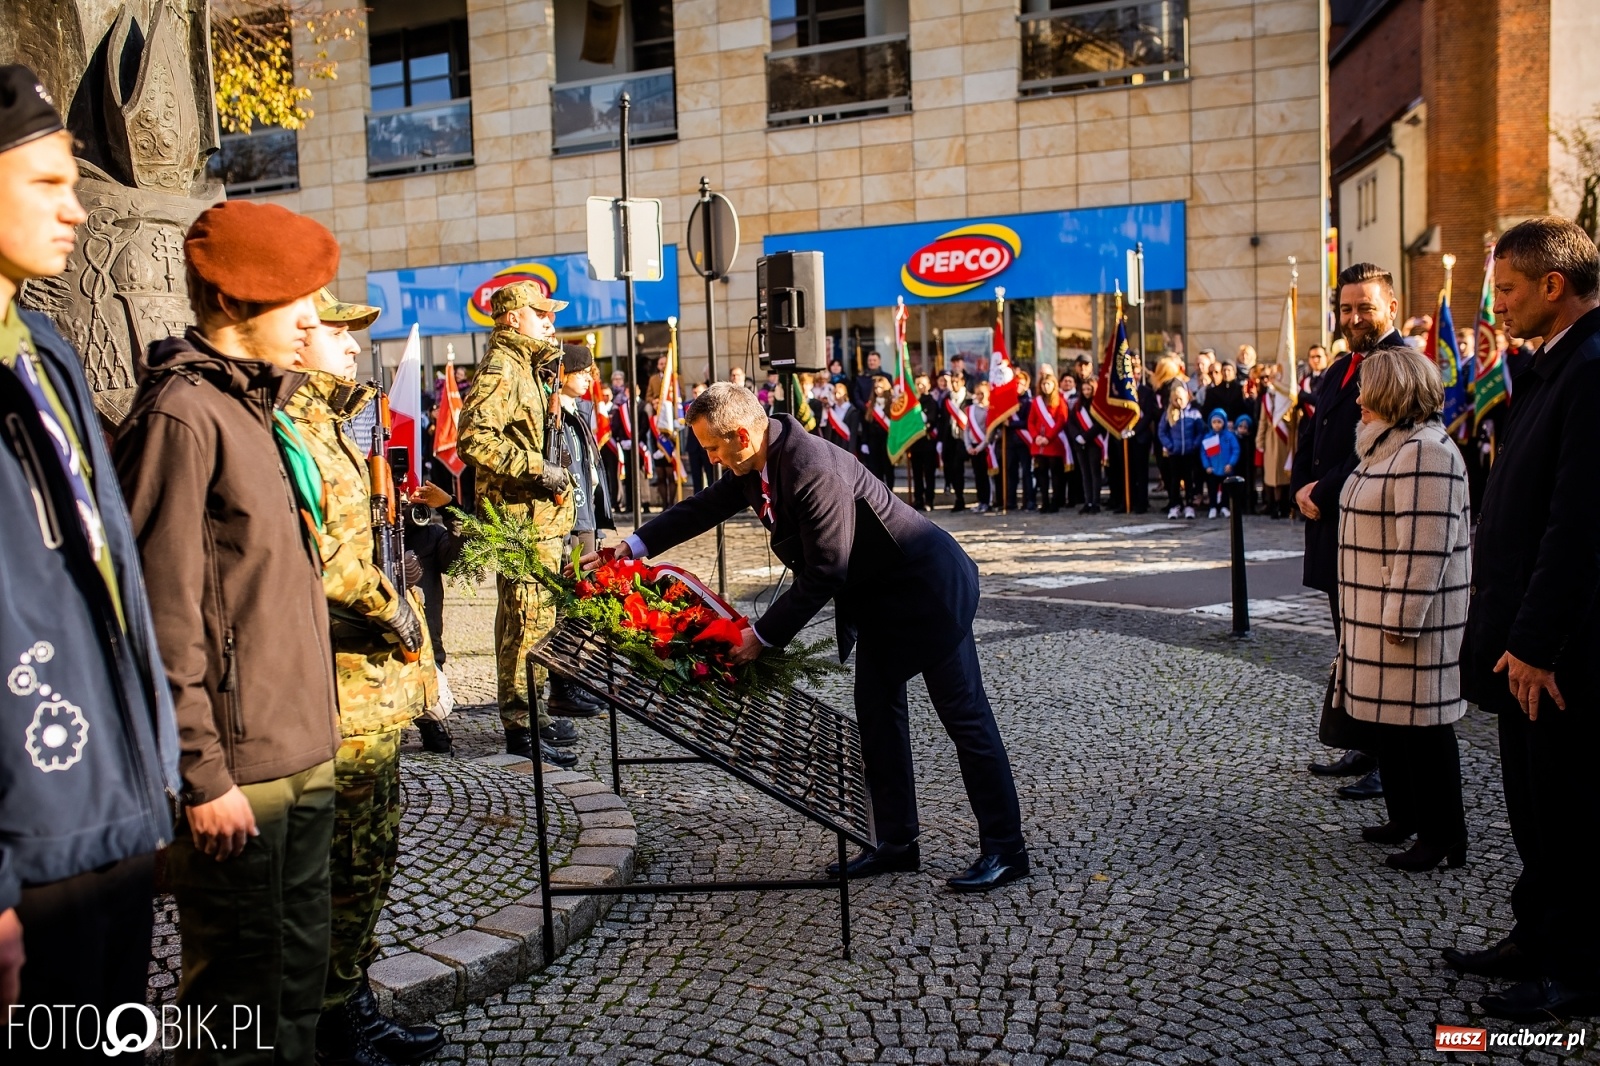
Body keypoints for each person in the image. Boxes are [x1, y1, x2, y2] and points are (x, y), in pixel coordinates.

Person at [593, 384, 1028, 890]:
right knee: (876, 714)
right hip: (883, 600)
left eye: (712, 447)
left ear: (741, 434)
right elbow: (702, 507)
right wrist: (631, 546)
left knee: (964, 717)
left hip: (930, 592)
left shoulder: (809, 468)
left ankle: (1006, 848)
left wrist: (762, 635)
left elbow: (826, 571)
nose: (709, 458)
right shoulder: (756, 460)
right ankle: (896, 843)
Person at [114, 200, 345, 1066]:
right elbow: (159, 614)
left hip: (299, 754)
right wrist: (202, 776)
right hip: (244, 776)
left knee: (293, 992)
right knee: (238, 1011)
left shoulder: (251, 407)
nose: (315, 323)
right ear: (238, 304)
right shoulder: (184, 415)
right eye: (299, 305)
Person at [0, 64, 178, 1037]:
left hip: (107, 806)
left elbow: (107, 581)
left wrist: (151, 768)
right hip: (28, 836)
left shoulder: (44, 347)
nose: (75, 210)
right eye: (45, 184)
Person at [286, 290, 447, 1066]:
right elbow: (323, 562)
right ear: (299, 338)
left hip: (372, 688)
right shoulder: (297, 432)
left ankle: (352, 1004)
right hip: (340, 690)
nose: (354, 345)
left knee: (370, 860)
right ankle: (335, 1024)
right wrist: (398, 608)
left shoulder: (335, 424)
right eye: (340, 332)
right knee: (346, 866)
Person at [1445, 217, 1600, 1022]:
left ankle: (1578, 968)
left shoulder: (1592, 367)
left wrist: (1537, 645)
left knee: (1570, 813)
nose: (1495, 304)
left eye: (1505, 289)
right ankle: (1537, 933)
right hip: (1521, 644)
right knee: (1533, 808)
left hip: (1562, 653)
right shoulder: (1553, 364)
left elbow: (1579, 526)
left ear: (1551, 286)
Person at [1332, 345, 1470, 874]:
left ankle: (1443, 836)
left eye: (1368, 388)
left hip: (1409, 627)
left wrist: (1399, 621)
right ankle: (1405, 817)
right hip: (1375, 617)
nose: (1359, 397)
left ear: (1395, 391)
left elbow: (1424, 550)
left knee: (1425, 734)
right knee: (1393, 729)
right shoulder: (1388, 444)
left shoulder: (1427, 451)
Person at [457, 281, 585, 767]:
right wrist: (536, 468)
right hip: (519, 523)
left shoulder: (530, 367)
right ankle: (521, 724)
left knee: (535, 620)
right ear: (512, 318)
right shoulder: (501, 368)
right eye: (541, 313)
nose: (550, 322)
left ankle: (532, 712)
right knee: (525, 623)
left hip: (540, 522)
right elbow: (472, 437)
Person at [1294, 263, 1404, 800]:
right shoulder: (1338, 367)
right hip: (1332, 524)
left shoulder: (1400, 365)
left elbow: (1385, 447)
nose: (1354, 317)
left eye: (1365, 306)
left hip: (1370, 528)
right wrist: (1299, 486)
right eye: (1346, 308)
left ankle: (1392, 761)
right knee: (1350, 644)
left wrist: (1321, 490)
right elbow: (1313, 434)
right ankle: (1364, 741)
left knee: (1380, 651)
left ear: (1391, 308)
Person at [558, 343, 616, 556]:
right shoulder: (555, 416)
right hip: (570, 518)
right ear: (564, 374)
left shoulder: (580, 411)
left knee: (587, 581)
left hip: (587, 511)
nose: (589, 379)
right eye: (582, 373)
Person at [1027, 366, 1070, 513]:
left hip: (1054, 444)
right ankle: (1044, 501)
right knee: (1042, 475)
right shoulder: (1036, 402)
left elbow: (1061, 420)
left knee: (1056, 475)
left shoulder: (1060, 401)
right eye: (1043, 384)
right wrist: (1036, 437)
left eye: (1048, 384)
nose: (1046, 387)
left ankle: (1056, 501)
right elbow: (1030, 422)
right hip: (1039, 444)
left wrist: (1048, 437)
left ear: (1054, 385)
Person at [1156, 382, 1202, 519]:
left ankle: (1189, 505)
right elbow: (1162, 432)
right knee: (1174, 481)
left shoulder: (1194, 414)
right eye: (1176, 399)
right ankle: (1175, 505)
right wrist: (1170, 445)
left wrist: (1194, 444)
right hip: (1174, 453)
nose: (1179, 402)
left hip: (1188, 453)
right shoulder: (1168, 414)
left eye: (1181, 399)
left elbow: (1200, 431)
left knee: (1188, 480)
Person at [1067, 376, 1105, 513]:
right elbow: (1070, 422)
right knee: (1085, 473)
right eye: (1084, 389)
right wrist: (1077, 436)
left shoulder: (1098, 405)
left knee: (1095, 473)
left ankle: (1096, 502)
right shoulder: (1077, 405)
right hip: (1080, 443)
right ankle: (1087, 501)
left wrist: (1085, 436)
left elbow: (1100, 424)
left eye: (1089, 389)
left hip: (1093, 442)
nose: (1086, 392)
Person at [938, 372, 972, 511]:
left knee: (958, 468)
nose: (954, 384)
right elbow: (942, 421)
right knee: (950, 468)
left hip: (963, 438)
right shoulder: (947, 399)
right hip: (949, 438)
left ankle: (960, 498)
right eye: (952, 381)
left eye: (957, 381)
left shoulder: (969, 399)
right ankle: (957, 495)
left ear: (963, 382)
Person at [1199, 408, 1240, 517]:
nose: (1217, 425)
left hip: (1226, 469)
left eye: (1219, 422)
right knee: (1212, 489)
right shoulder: (1208, 437)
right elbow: (1204, 453)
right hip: (1213, 469)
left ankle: (1224, 506)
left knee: (1226, 490)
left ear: (1224, 423)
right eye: (1214, 422)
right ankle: (1213, 507)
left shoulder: (1229, 436)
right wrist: (1207, 466)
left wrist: (1231, 463)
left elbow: (1235, 450)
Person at [909, 373, 939, 510]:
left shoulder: (931, 402)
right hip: (915, 444)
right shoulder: (912, 402)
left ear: (928, 385)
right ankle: (918, 499)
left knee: (928, 474)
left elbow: (931, 421)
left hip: (927, 444)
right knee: (917, 474)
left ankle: (929, 500)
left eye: (922, 384)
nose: (920, 387)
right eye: (917, 384)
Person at [964, 379, 994, 514]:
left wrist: (980, 447)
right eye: (977, 394)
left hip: (985, 447)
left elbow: (990, 432)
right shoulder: (970, 410)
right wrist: (968, 446)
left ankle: (987, 501)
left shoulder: (990, 410)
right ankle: (980, 500)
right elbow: (967, 429)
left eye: (982, 393)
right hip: (973, 446)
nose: (980, 396)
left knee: (985, 476)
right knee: (977, 476)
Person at [683, 381, 714, 493]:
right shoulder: (687, 406)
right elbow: (683, 421)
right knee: (696, 477)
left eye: (699, 392)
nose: (697, 395)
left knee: (711, 476)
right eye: (694, 392)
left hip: (706, 445)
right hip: (693, 445)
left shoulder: (709, 406)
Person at [821, 379, 859, 452]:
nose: (836, 396)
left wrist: (851, 450)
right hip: (834, 441)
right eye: (834, 393)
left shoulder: (853, 411)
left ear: (845, 394)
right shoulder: (832, 409)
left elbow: (853, 433)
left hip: (845, 442)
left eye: (839, 393)